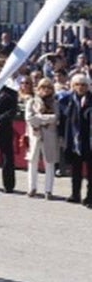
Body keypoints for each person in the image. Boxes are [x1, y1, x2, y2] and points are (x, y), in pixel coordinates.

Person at [25, 78, 60, 199]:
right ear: (38, 88)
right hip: (35, 135)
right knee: (32, 162)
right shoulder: (32, 101)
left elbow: (55, 117)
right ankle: (32, 188)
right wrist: (43, 119)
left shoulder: (54, 102)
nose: (45, 90)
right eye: (43, 87)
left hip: (49, 135)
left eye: (48, 87)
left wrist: (39, 118)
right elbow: (29, 118)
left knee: (49, 162)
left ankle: (48, 190)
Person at [61, 73, 92, 205]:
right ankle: (75, 194)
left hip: (88, 140)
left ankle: (90, 197)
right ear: (73, 86)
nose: (80, 87)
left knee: (91, 172)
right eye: (77, 84)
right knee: (76, 170)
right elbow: (62, 119)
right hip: (73, 140)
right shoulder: (67, 100)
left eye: (84, 85)